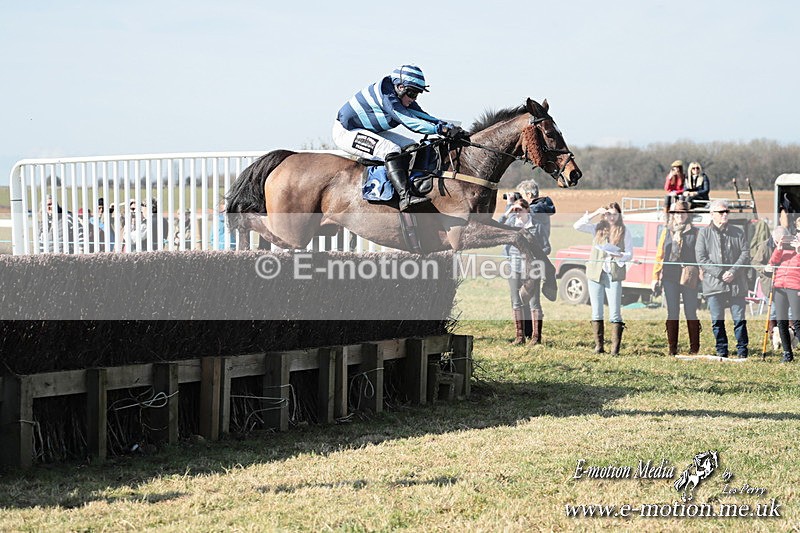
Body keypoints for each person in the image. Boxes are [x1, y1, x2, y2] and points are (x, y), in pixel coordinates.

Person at [333, 64, 467, 211]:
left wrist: (450, 127)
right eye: (412, 93)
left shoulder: (398, 94)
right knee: (391, 149)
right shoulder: (387, 97)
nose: (414, 98)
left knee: (411, 146)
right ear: (401, 87)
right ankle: (405, 197)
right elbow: (409, 121)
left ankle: (412, 185)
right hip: (347, 132)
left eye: (417, 94)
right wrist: (440, 129)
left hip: (369, 130)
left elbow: (424, 117)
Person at [573, 202, 633, 355]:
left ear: (619, 215)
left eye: (614, 214)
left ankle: (615, 349)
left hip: (613, 274)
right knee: (596, 311)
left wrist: (619, 255)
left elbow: (630, 254)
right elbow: (577, 226)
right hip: (595, 273)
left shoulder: (624, 231)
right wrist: (594, 213)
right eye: (608, 214)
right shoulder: (597, 228)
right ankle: (599, 346)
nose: (611, 217)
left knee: (615, 312)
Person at [695, 199, 751, 358]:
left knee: (739, 320)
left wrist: (733, 272)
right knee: (717, 321)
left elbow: (745, 254)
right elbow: (701, 258)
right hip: (714, 284)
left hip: (736, 283)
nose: (725, 214)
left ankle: (742, 351)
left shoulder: (738, 232)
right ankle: (722, 350)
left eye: (727, 211)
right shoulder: (704, 234)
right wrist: (720, 273)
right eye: (721, 212)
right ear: (712, 214)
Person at [651, 200, 701, 355]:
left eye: (683, 212)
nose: (680, 216)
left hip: (688, 276)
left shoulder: (696, 232)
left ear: (688, 215)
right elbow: (660, 255)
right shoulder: (667, 231)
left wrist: (701, 273)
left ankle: (694, 348)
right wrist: (655, 276)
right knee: (672, 312)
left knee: (690, 311)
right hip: (670, 276)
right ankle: (672, 348)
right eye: (677, 213)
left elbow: (700, 256)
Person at [516, 179, 556, 344]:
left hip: (533, 258)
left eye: (521, 196)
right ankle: (527, 334)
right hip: (530, 257)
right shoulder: (543, 208)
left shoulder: (536, 210)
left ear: (529, 195)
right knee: (526, 298)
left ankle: (533, 336)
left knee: (532, 299)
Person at [766, 226, 800, 363]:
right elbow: (772, 262)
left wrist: (798, 250)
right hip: (779, 286)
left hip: (795, 285)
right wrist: (779, 248)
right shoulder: (782, 249)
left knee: (797, 320)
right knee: (781, 321)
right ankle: (787, 353)